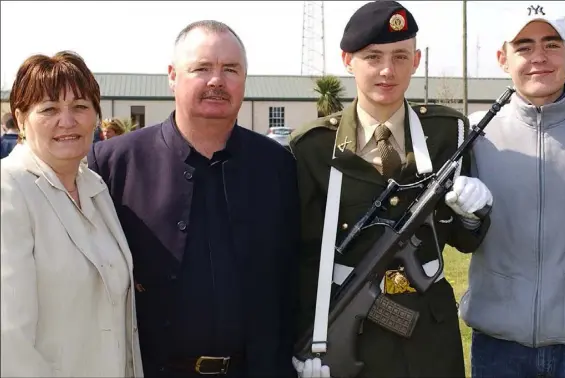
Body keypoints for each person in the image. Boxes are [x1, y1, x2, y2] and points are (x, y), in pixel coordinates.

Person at [290, 1, 493, 377]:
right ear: (347, 60)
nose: (388, 70)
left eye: (401, 56)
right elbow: (298, 258)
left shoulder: (448, 135)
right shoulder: (314, 148)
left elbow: (465, 242)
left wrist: (473, 216)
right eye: (373, 57)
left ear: (416, 61)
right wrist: (304, 342)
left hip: (429, 341)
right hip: (350, 333)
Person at [87, 20, 300, 377]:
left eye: (230, 69)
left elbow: (291, 275)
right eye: (201, 68)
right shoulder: (112, 164)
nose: (217, 80)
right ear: (172, 76)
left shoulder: (277, 165)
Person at [462, 4, 565, 378]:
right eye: (524, 46)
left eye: (551, 45)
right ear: (502, 58)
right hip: (497, 345)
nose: (538, 58)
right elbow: (456, 232)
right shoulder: (472, 134)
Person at [0, 51, 143, 377]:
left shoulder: (94, 187)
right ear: (21, 119)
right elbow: (9, 342)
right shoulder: (9, 189)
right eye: (49, 109)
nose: (68, 121)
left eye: (80, 107)